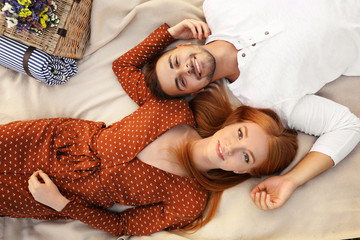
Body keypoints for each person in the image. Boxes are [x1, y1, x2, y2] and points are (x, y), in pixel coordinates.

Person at [0, 23, 298, 237]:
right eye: (241, 135)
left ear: (242, 173)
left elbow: (123, 226)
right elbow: (124, 67)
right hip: (49, 140)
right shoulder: (174, 108)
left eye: (246, 158)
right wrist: (169, 33)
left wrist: (61, 204)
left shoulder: (189, 201)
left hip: (55, 194)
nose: (231, 148)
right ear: (234, 123)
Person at [142, 1, 360, 210]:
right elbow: (347, 127)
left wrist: (167, 34)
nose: (185, 70)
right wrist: (291, 181)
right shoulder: (267, 101)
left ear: (183, 46)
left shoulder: (218, 6)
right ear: (194, 92)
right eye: (181, 82)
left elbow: (122, 65)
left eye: (175, 62)